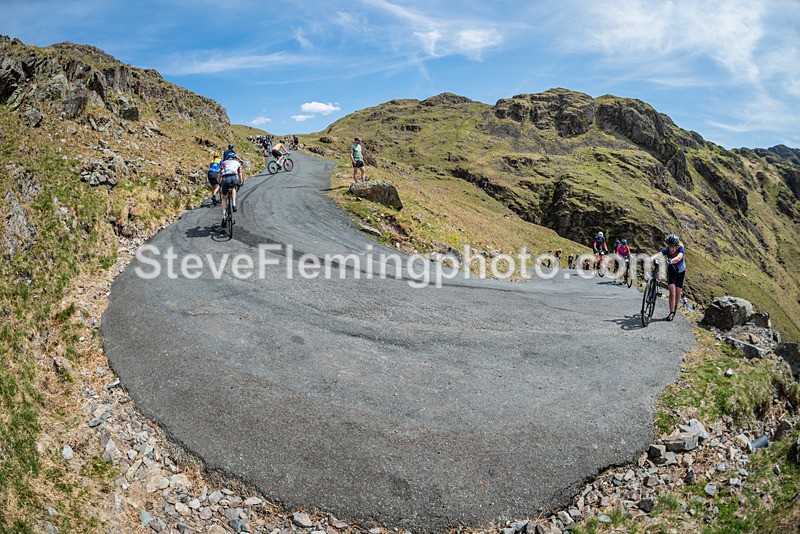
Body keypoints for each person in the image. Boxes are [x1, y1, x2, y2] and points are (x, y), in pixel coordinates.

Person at [650, 234, 685, 321]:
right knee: (672, 293)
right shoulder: (667, 250)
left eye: (673, 247)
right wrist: (651, 258)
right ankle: (671, 312)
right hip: (671, 271)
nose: (671, 249)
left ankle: (675, 307)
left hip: (681, 272)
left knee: (678, 293)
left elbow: (679, 257)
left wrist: (671, 261)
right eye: (670, 247)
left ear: (677, 246)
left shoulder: (681, 249)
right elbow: (659, 254)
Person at [219, 153, 243, 226]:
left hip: (225, 179)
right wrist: (240, 182)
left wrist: (219, 182)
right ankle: (234, 204)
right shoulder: (237, 163)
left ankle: (224, 217)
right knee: (233, 188)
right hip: (234, 178)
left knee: (223, 198)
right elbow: (240, 175)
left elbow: (219, 174)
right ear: (234, 158)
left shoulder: (224, 163)